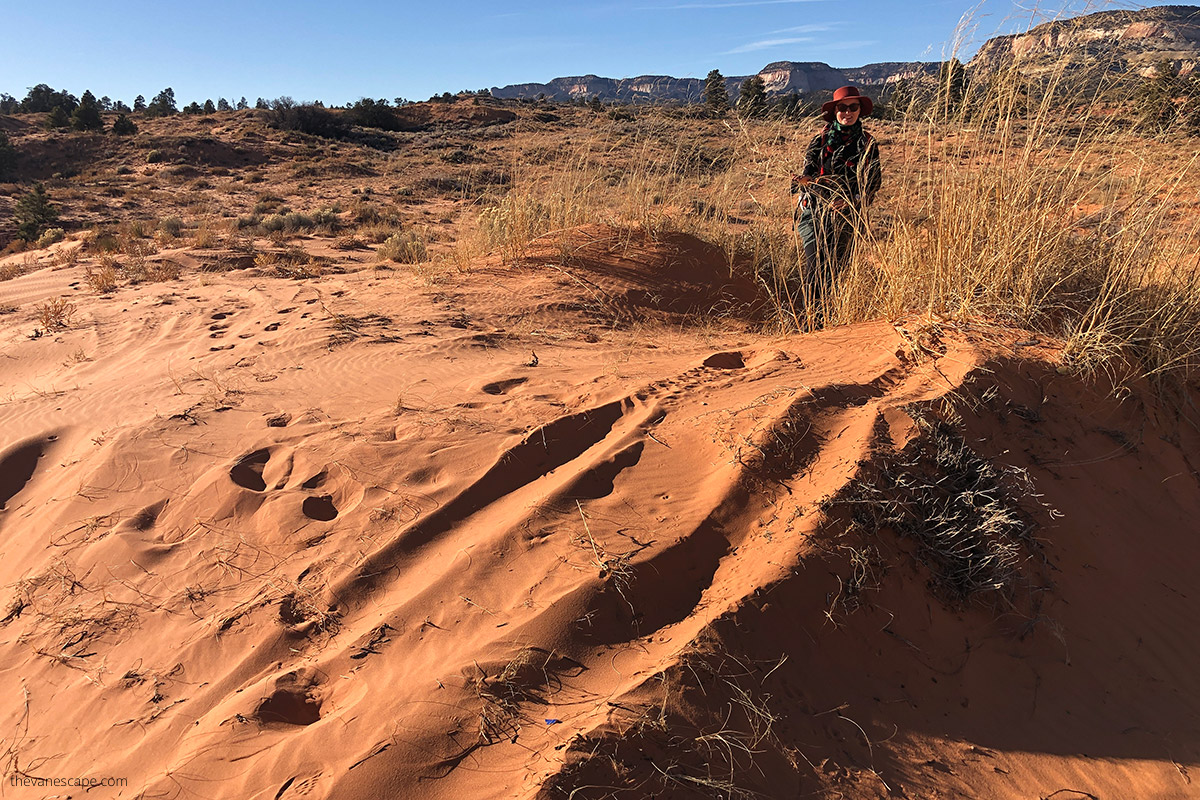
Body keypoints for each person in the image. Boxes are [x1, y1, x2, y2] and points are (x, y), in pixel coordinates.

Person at [790, 85, 882, 323]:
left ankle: (829, 321)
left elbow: (872, 183)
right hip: (814, 212)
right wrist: (803, 185)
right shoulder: (820, 140)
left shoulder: (868, 144)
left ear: (860, 110)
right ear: (835, 111)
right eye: (842, 108)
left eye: (853, 107)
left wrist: (850, 201)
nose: (847, 112)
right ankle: (810, 322)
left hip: (848, 217)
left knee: (835, 270)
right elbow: (807, 173)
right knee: (814, 266)